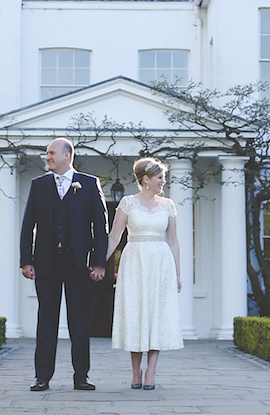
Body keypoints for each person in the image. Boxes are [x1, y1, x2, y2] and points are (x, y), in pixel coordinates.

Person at [19, 138, 109, 391]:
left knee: (79, 322)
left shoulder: (89, 184)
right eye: (46, 153)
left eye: (51, 153)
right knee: (46, 320)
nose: (46, 157)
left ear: (67, 156)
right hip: (46, 264)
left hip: (79, 265)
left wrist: (99, 263)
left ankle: (81, 375)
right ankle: (42, 376)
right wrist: (26, 260)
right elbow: (28, 226)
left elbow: (101, 228)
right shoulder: (38, 185)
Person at [106, 156, 183, 390]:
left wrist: (177, 274)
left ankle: (151, 371)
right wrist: (100, 263)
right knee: (135, 314)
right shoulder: (127, 203)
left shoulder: (168, 205)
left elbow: (173, 241)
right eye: (160, 177)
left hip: (161, 264)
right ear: (146, 179)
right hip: (134, 262)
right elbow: (114, 236)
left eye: (164, 177)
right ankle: (135, 372)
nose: (163, 181)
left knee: (156, 315)